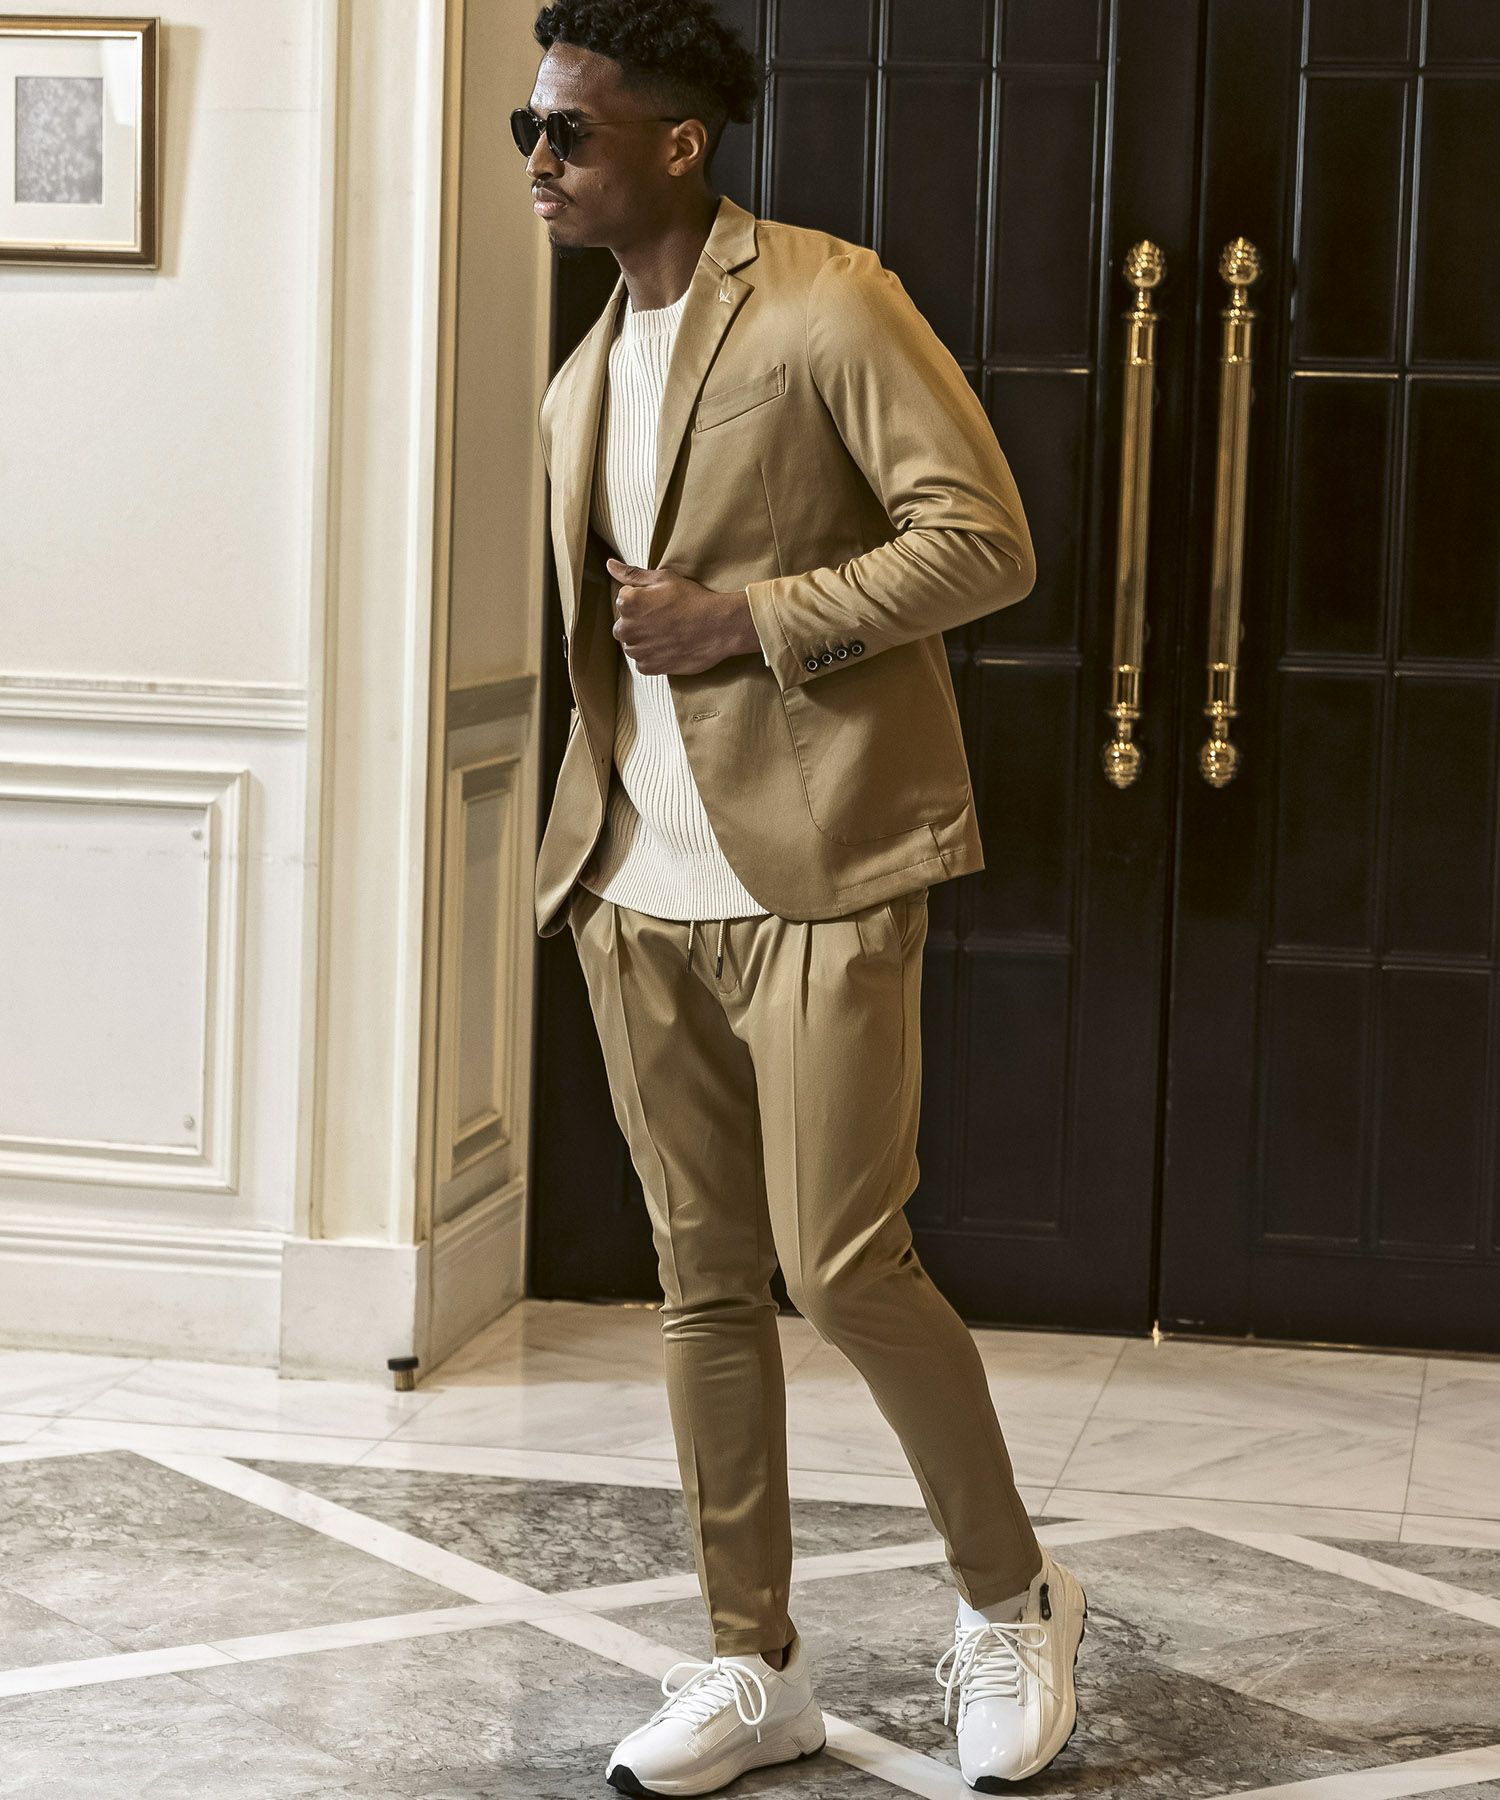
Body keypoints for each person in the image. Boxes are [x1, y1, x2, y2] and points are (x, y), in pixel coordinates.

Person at [520, 2, 1087, 1792]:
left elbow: (983, 540)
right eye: (529, 131)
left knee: (844, 1264)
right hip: (634, 882)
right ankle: (752, 1664)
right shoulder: (585, 370)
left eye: (570, 132)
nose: (539, 162)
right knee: (701, 1282)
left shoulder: (832, 301)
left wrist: (749, 621)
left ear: (680, 143)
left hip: (824, 870)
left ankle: (1012, 1598)